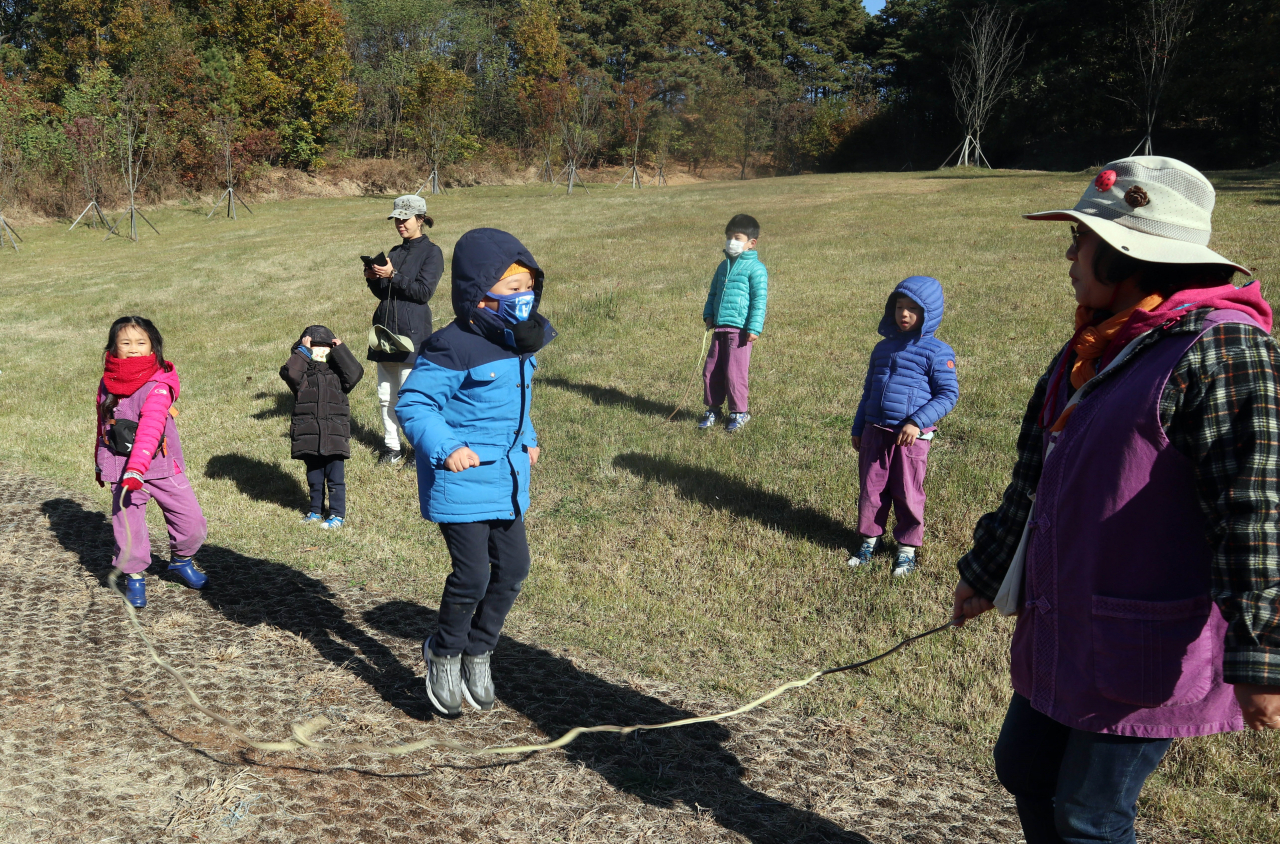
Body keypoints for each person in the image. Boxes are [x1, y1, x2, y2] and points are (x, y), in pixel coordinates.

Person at [950, 156, 1280, 843]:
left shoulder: (1222, 350)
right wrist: (985, 572)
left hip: (1144, 646)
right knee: (1024, 768)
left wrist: (1262, 654)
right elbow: (1034, 475)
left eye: (1081, 239)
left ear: (1130, 254)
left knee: (1088, 817)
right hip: (1067, 621)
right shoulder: (1096, 343)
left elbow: (1257, 508)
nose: (1070, 255)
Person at [397, 227, 557, 716]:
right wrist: (446, 447)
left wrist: (525, 438)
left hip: (506, 480)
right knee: (472, 575)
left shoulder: (516, 340)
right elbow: (415, 403)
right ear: (479, 292)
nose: (524, 297)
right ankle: (443, 653)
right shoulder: (453, 346)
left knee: (513, 570)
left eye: (529, 287)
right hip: (462, 482)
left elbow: (515, 403)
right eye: (513, 288)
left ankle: (479, 651)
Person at [95, 316, 208, 609]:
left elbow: (150, 428)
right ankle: (134, 578)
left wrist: (137, 468)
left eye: (140, 342)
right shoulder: (107, 382)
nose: (133, 349)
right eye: (125, 343)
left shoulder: (159, 383)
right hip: (122, 472)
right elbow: (103, 425)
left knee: (192, 523)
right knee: (127, 527)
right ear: (113, 348)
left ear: (153, 347)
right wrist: (101, 462)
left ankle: (181, 560)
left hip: (159, 468)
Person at [848, 276, 958, 576]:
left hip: (910, 439)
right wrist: (859, 427)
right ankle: (869, 540)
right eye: (899, 307)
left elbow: (948, 394)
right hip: (875, 433)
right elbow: (869, 391)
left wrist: (916, 421)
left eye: (913, 309)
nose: (904, 314)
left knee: (908, 493)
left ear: (929, 314)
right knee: (872, 491)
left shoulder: (937, 351)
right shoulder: (881, 349)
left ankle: (906, 549)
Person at [365, 194, 444, 466]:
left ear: (420, 219)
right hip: (386, 331)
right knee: (385, 395)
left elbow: (423, 292)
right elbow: (384, 293)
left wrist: (393, 276)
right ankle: (391, 447)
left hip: (412, 333)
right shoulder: (395, 252)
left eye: (404, 219)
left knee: (410, 397)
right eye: (396, 219)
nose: (399, 223)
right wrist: (374, 279)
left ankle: (417, 450)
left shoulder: (432, 252)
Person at [279, 325, 365, 529]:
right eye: (314, 347)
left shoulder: (339, 374)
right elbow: (290, 374)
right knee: (314, 477)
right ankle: (315, 511)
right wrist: (303, 351)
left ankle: (337, 515)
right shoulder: (302, 376)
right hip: (309, 434)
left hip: (335, 433)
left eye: (324, 348)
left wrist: (340, 350)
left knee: (336, 479)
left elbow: (355, 373)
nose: (320, 352)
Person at [699, 213, 768, 433]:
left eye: (737, 237)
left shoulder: (756, 269)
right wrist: (709, 314)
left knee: (734, 372)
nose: (732, 242)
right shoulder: (722, 266)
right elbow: (713, 293)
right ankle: (713, 408)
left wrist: (754, 327)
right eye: (729, 237)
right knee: (712, 369)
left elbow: (759, 300)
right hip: (719, 327)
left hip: (740, 331)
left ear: (751, 243)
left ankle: (739, 412)